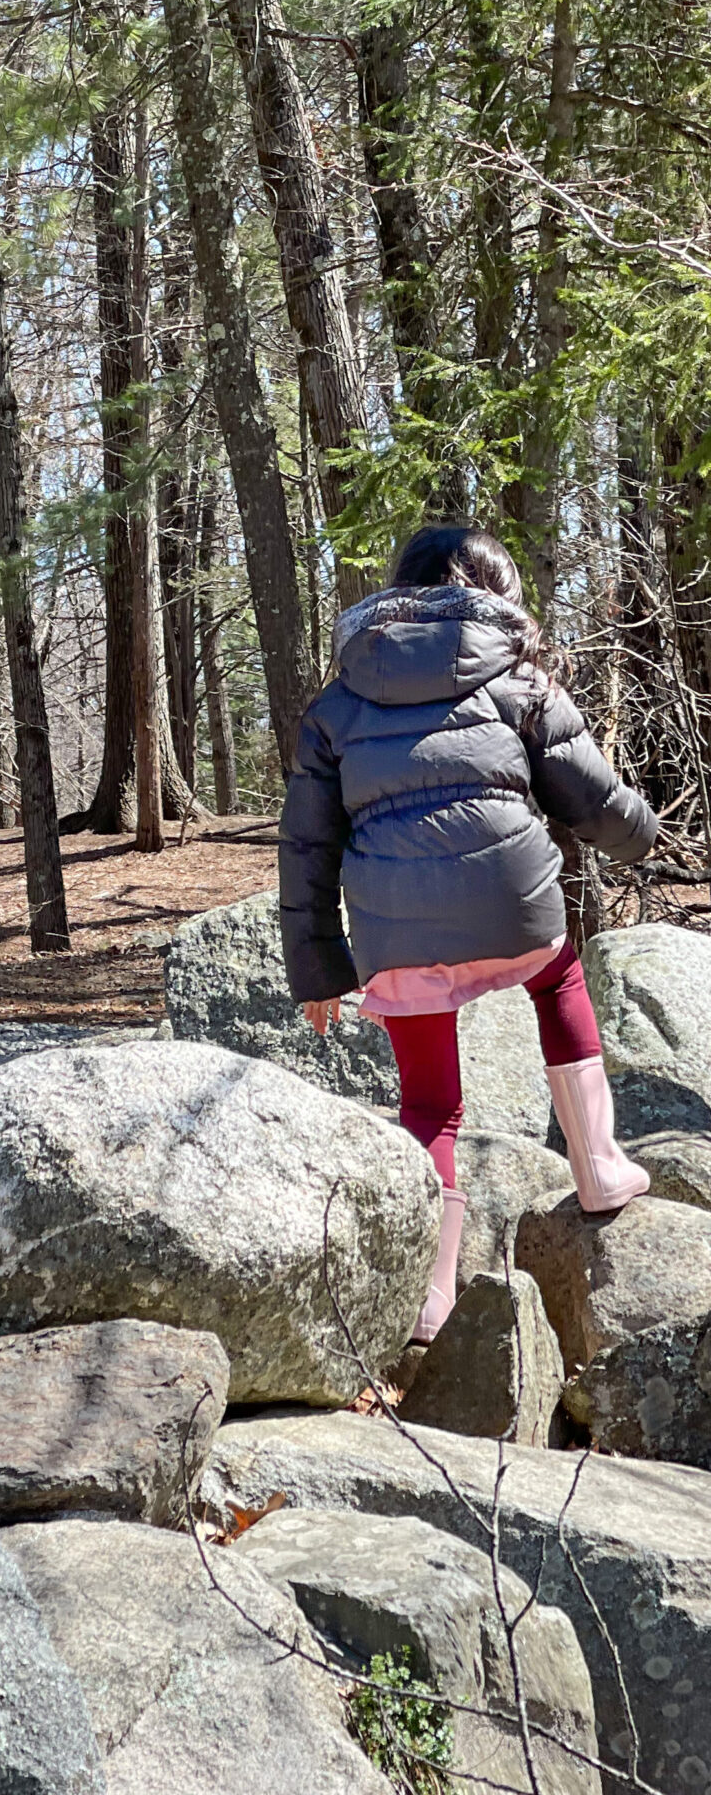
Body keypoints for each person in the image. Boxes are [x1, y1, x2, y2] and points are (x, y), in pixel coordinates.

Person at [280, 523, 660, 1346]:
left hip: (396, 932)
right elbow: (591, 795)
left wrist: (318, 970)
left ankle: (430, 1297)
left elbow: (306, 843)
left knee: (430, 1105)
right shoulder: (514, 675)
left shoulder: (340, 697)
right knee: (557, 979)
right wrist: (645, 835)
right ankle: (598, 1166)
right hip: (510, 902)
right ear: (494, 592)